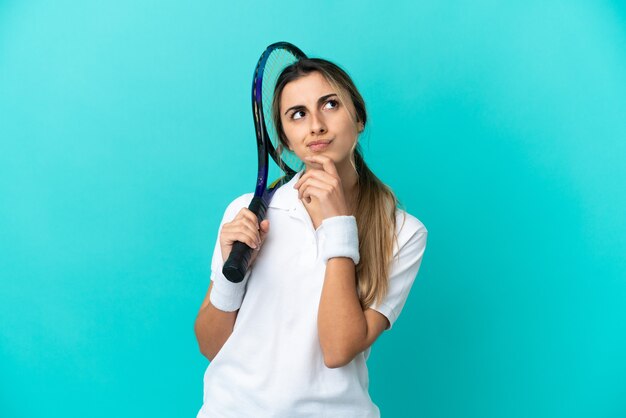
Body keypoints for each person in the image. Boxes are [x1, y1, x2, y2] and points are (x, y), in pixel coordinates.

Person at [194, 57, 428, 418]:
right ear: (285, 138)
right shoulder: (248, 213)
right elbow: (212, 346)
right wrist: (230, 276)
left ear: (359, 118)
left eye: (330, 105)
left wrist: (337, 225)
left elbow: (337, 350)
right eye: (297, 114)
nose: (316, 126)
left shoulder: (402, 232)